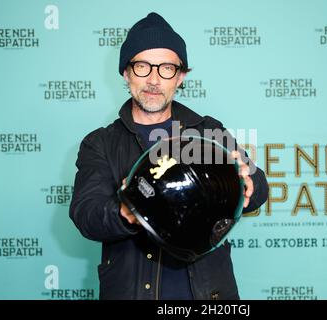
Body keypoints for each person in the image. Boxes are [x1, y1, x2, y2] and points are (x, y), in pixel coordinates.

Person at [69, 12, 268, 300]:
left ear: (181, 76)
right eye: (142, 66)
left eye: (166, 68)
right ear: (126, 72)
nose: (153, 79)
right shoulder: (100, 143)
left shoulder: (208, 131)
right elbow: (86, 215)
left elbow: (259, 189)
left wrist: (248, 183)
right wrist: (128, 210)